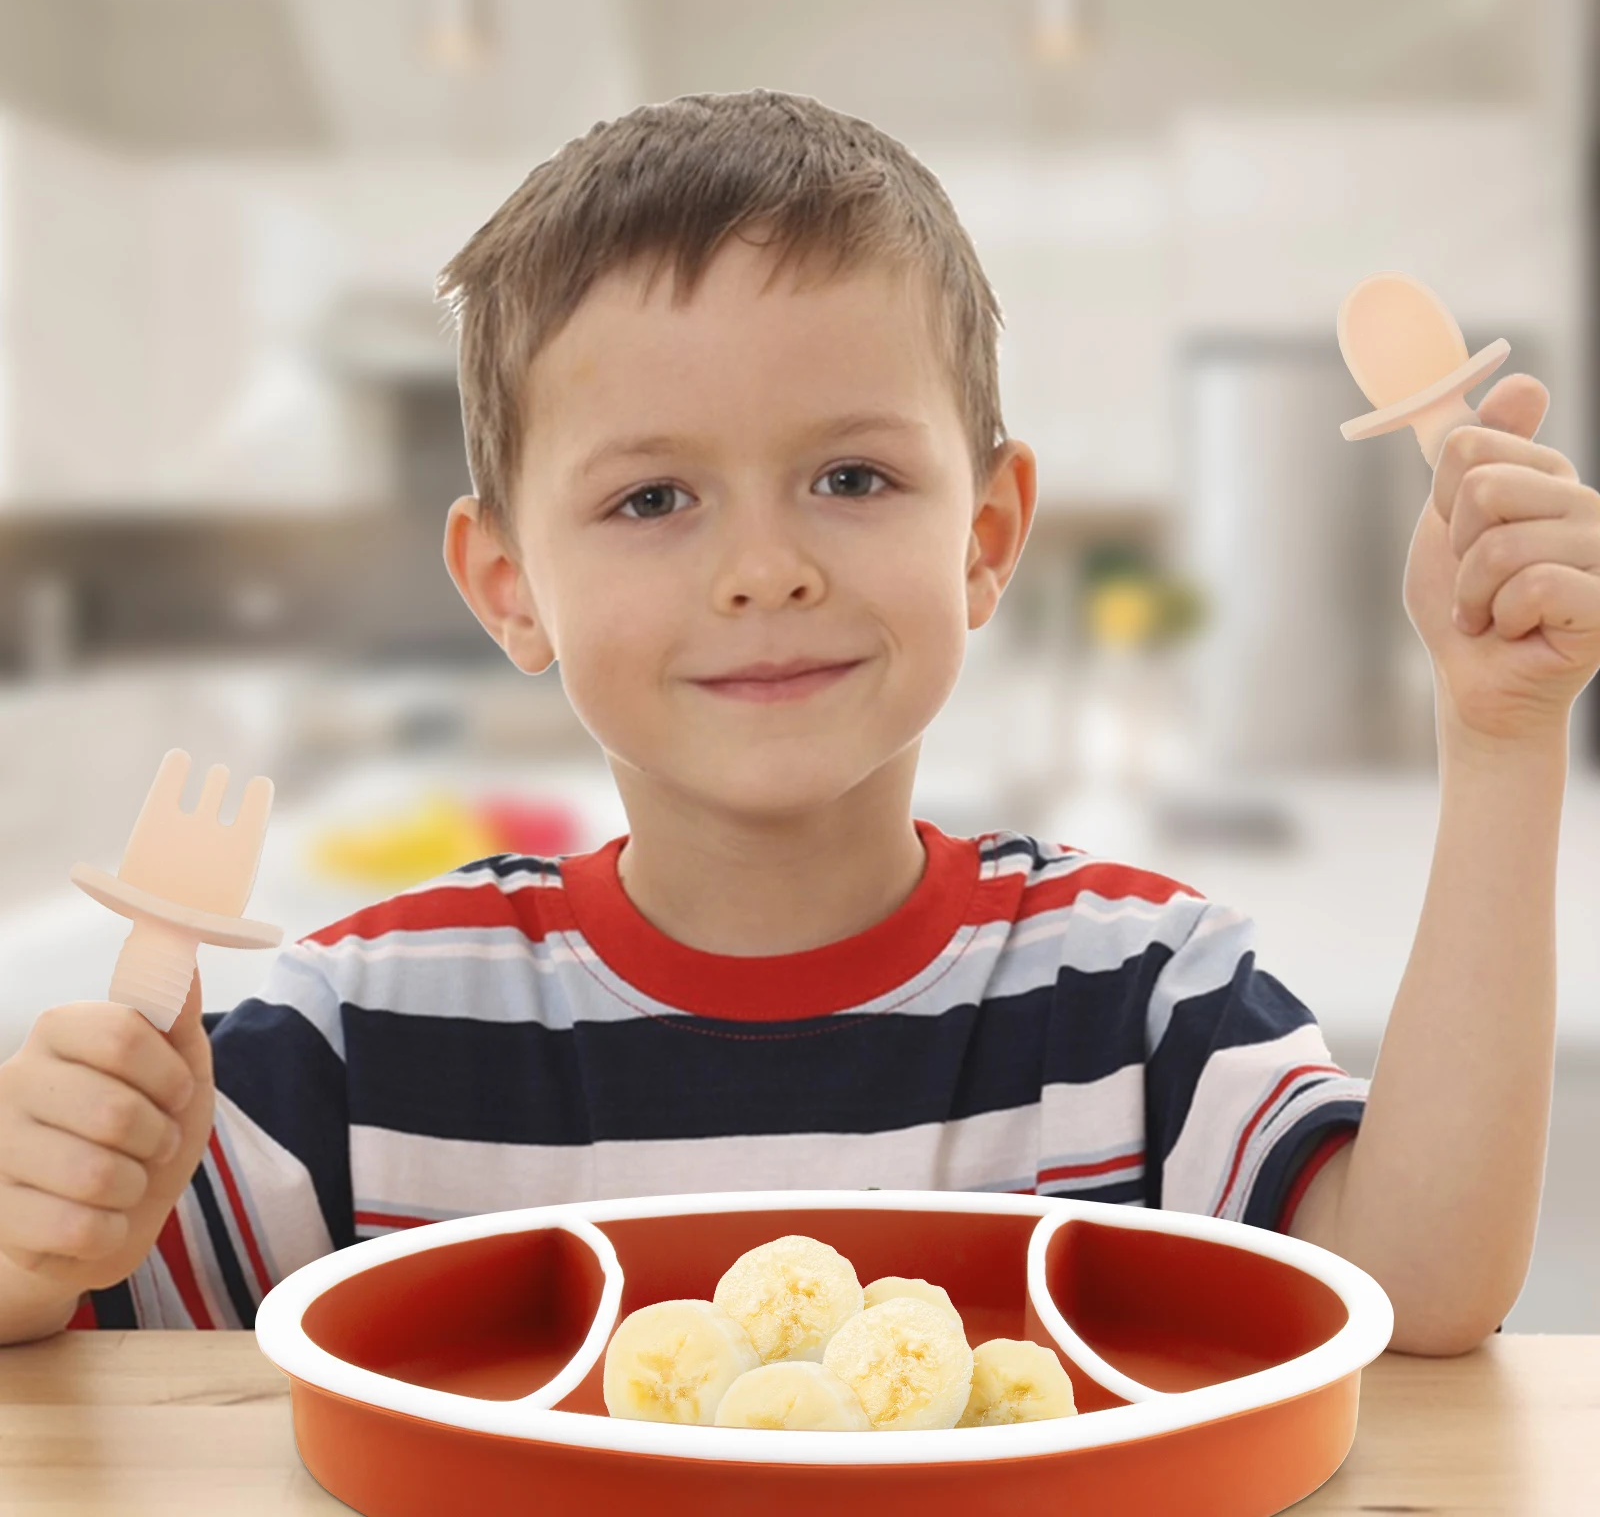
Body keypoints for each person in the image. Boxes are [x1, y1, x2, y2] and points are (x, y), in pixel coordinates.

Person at [1, 91, 1596, 1355]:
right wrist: (28, 1228)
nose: (764, 571)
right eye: (651, 497)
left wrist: (1505, 740)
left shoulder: (1136, 997)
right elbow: (75, 1334)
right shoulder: (362, 1037)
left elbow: (1421, 1291)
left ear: (983, 535)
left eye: (851, 478)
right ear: (508, 585)